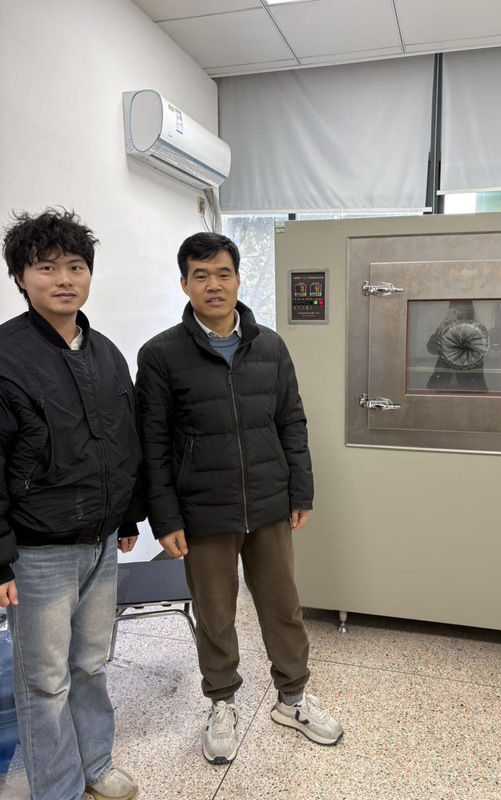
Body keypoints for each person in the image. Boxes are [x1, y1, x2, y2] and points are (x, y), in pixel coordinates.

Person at [136, 232, 343, 765]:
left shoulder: (270, 346)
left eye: (223, 273)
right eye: (201, 275)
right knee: (215, 614)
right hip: (202, 510)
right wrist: (165, 518)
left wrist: (300, 489)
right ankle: (222, 703)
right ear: (184, 283)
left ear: (238, 279)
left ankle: (292, 698)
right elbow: (152, 444)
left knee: (283, 606)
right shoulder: (160, 354)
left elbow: (291, 422)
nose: (214, 284)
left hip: (269, 502)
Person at [0, 209, 142, 800]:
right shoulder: (6, 355)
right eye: (46, 267)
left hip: (101, 541)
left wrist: (128, 513)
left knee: (90, 663)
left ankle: (95, 767)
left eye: (76, 266)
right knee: (45, 680)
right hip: (38, 551)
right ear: (20, 277)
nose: (64, 279)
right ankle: (56, 789)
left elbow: (123, 438)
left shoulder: (105, 351)